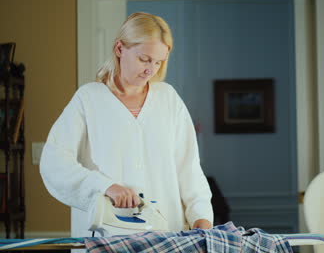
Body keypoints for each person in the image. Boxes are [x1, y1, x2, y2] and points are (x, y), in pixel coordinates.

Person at [40, 12, 213, 238]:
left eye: (158, 62)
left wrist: (201, 217)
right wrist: (104, 186)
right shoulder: (88, 99)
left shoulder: (168, 99)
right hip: (107, 235)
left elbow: (188, 167)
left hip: (165, 234)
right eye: (144, 59)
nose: (151, 69)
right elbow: (54, 162)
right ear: (120, 49)